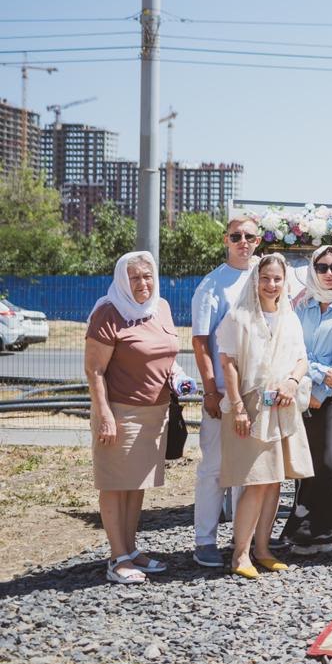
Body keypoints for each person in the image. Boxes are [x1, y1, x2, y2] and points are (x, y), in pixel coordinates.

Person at [84, 251, 188, 584]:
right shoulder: (108, 313)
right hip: (120, 412)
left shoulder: (162, 308)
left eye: (147, 276)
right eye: (134, 277)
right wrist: (104, 414)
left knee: (137, 484)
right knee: (115, 484)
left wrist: (179, 376)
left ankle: (130, 550)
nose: (142, 283)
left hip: (155, 413)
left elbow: (168, 355)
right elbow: (95, 369)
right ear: (121, 280)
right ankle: (117, 559)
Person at [217, 253, 315, 579]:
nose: (271, 285)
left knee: (274, 482)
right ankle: (240, 553)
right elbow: (228, 364)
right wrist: (238, 408)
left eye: (277, 279)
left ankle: (262, 548)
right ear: (255, 280)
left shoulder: (289, 317)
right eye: (265, 278)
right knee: (256, 482)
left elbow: (302, 359)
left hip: (282, 406)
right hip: (252, 405)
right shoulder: (239, 317)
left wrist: (291, 381)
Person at [281, 245, 332, 566]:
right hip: (303, 389)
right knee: (306, 464)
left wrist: (322, 387)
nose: (329, 273)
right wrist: (315, 374)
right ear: (312, 270)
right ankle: (312, 533)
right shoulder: (301, 308)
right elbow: (294, 349)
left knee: (331, 462)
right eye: (322, 267)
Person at [190, 214, 260, 568]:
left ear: (259, 241)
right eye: (236, 236)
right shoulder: (212, 285)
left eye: (249, 236)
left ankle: (243, 541)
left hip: (257, 391)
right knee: (215, 466)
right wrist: (209, 390)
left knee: (249, 469)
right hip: (222, 389)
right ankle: (205, 539)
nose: (243, 242)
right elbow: (201, 342)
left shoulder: (267, 275)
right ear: (225, 240)